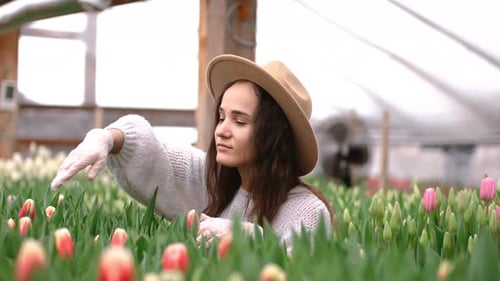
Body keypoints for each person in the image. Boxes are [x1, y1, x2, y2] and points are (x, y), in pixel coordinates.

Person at [50, 54, 334, 251]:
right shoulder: (215, 182)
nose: (222, 130)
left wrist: (255, 238)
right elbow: (153, 151)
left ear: (274, 136)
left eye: (240, 121)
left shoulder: (307, 210)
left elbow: (306, 266)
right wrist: (107, 138)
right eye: (222, 117)